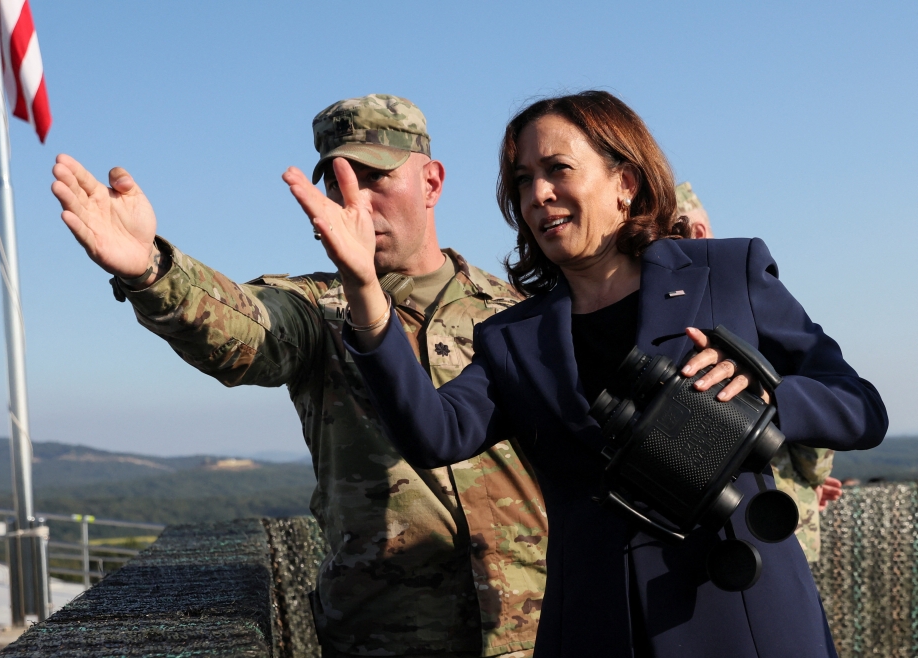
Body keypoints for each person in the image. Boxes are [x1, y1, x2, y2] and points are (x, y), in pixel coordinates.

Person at [286, 90, 889, 657]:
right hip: (593, 623)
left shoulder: (727, 272)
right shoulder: (513, 336)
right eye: (523, 180)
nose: (538, 194)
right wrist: (364, 288)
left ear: (625, 182)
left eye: (558, 169)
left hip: (741, 612)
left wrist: (768, 399)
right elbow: (434, 435)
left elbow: (861, 408)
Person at [50, 94, 547, 658]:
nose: (356, 201)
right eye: (338, 182)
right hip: (384, 640)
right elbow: (245, 326)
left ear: (431, 182)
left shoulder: (515, 311)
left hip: (535, 631)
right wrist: (153, 271)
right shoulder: (319, 309)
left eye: (375, 177)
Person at [674, 181, 843, 562]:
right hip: (778, 517)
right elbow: (815, 434)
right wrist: (814, 479)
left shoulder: (668, 313)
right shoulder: (748, 309)